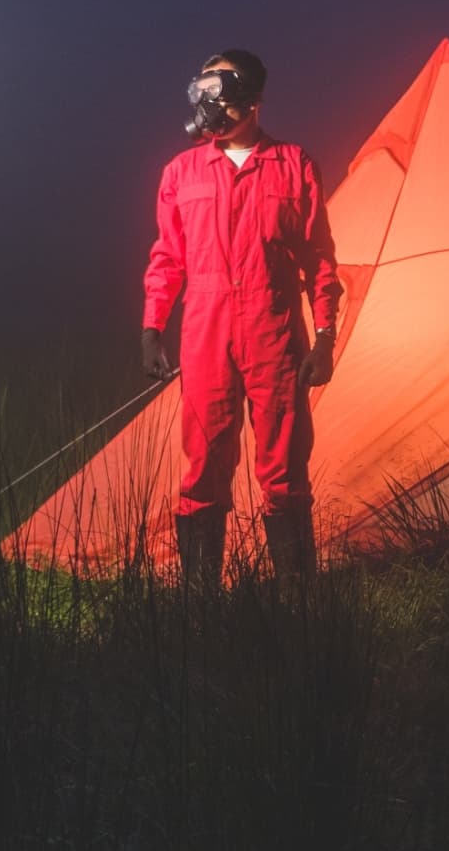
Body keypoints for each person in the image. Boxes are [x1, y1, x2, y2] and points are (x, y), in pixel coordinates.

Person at [140, 50, 341, 584]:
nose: (209, 110)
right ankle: (201, 607)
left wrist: (325, 336)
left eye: (219, 95)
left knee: (283, 470)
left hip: (274, 332)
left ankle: (297, 602)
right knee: (203, 468)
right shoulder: (181, 172)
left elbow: (318, 256)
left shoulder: (294, 164)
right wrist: (152, 327)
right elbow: (168, 258)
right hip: (206, 334)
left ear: (251, 100)